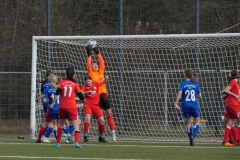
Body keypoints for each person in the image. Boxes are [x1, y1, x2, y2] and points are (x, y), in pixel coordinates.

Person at [86, 43, 116, 142]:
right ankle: (101, 135)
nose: (95, 65)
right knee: (100, 116)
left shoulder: (101, 72)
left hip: (104, 95)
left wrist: (97, 52)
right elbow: (89, 64)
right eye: (94, 64)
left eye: (96, 64)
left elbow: (102, 61)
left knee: (109, 114)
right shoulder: (91, 73)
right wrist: (89, 54)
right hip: (96, 96)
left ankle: (113, 133)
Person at [50, 68, 85, 148]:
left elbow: (57, 93)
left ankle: (58, 143)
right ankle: (76, 143)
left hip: (62, 106)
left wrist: (53, 102)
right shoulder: (74, 83)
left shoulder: (62, 83)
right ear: (73, 74)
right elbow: (80, 95)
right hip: (72, 106)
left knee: (61, 124)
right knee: (76, 124)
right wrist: (83, 100)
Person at [174, 69, 202, 146]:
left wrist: (176, 103)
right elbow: (200, 95)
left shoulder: (182, 83)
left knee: (188, 123)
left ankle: (190, 137)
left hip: (185, 105)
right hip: (194, 105)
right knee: (197, 122)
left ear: (185, 75)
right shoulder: (196, 84)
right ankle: (193, 135)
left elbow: (179, 94)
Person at [82, 75, 109, 143]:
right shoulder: (85, 87)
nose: (88, 83)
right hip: (88, 104)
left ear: (91, 80)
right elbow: (80, 92)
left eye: (89, 81)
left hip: (96, 106)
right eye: (86, 82)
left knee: (102, 121)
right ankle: (85, 136)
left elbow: (103, 83)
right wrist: (86, 92)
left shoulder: (96, 84)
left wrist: (106, 79)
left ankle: (101, 136)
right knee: (87, 119)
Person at [36, 74, 59, 143]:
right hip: (58, 108)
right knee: (56, 124)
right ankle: (58, 139)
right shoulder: (59, 88)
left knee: (45, 124)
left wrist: (49, 100)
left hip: (50, 108)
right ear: (56, 80)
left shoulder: (47, 88)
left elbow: (44, 100)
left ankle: (39, 139)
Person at [222, 69, 240, 146]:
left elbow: (224, 93)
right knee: (233, 122)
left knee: (229, 121)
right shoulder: (234, 82)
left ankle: (226, 141)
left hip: (231, 104)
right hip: (234, 104)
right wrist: (235, 95)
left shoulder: (235, 84)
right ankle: (237, 139)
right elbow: (225, 91)